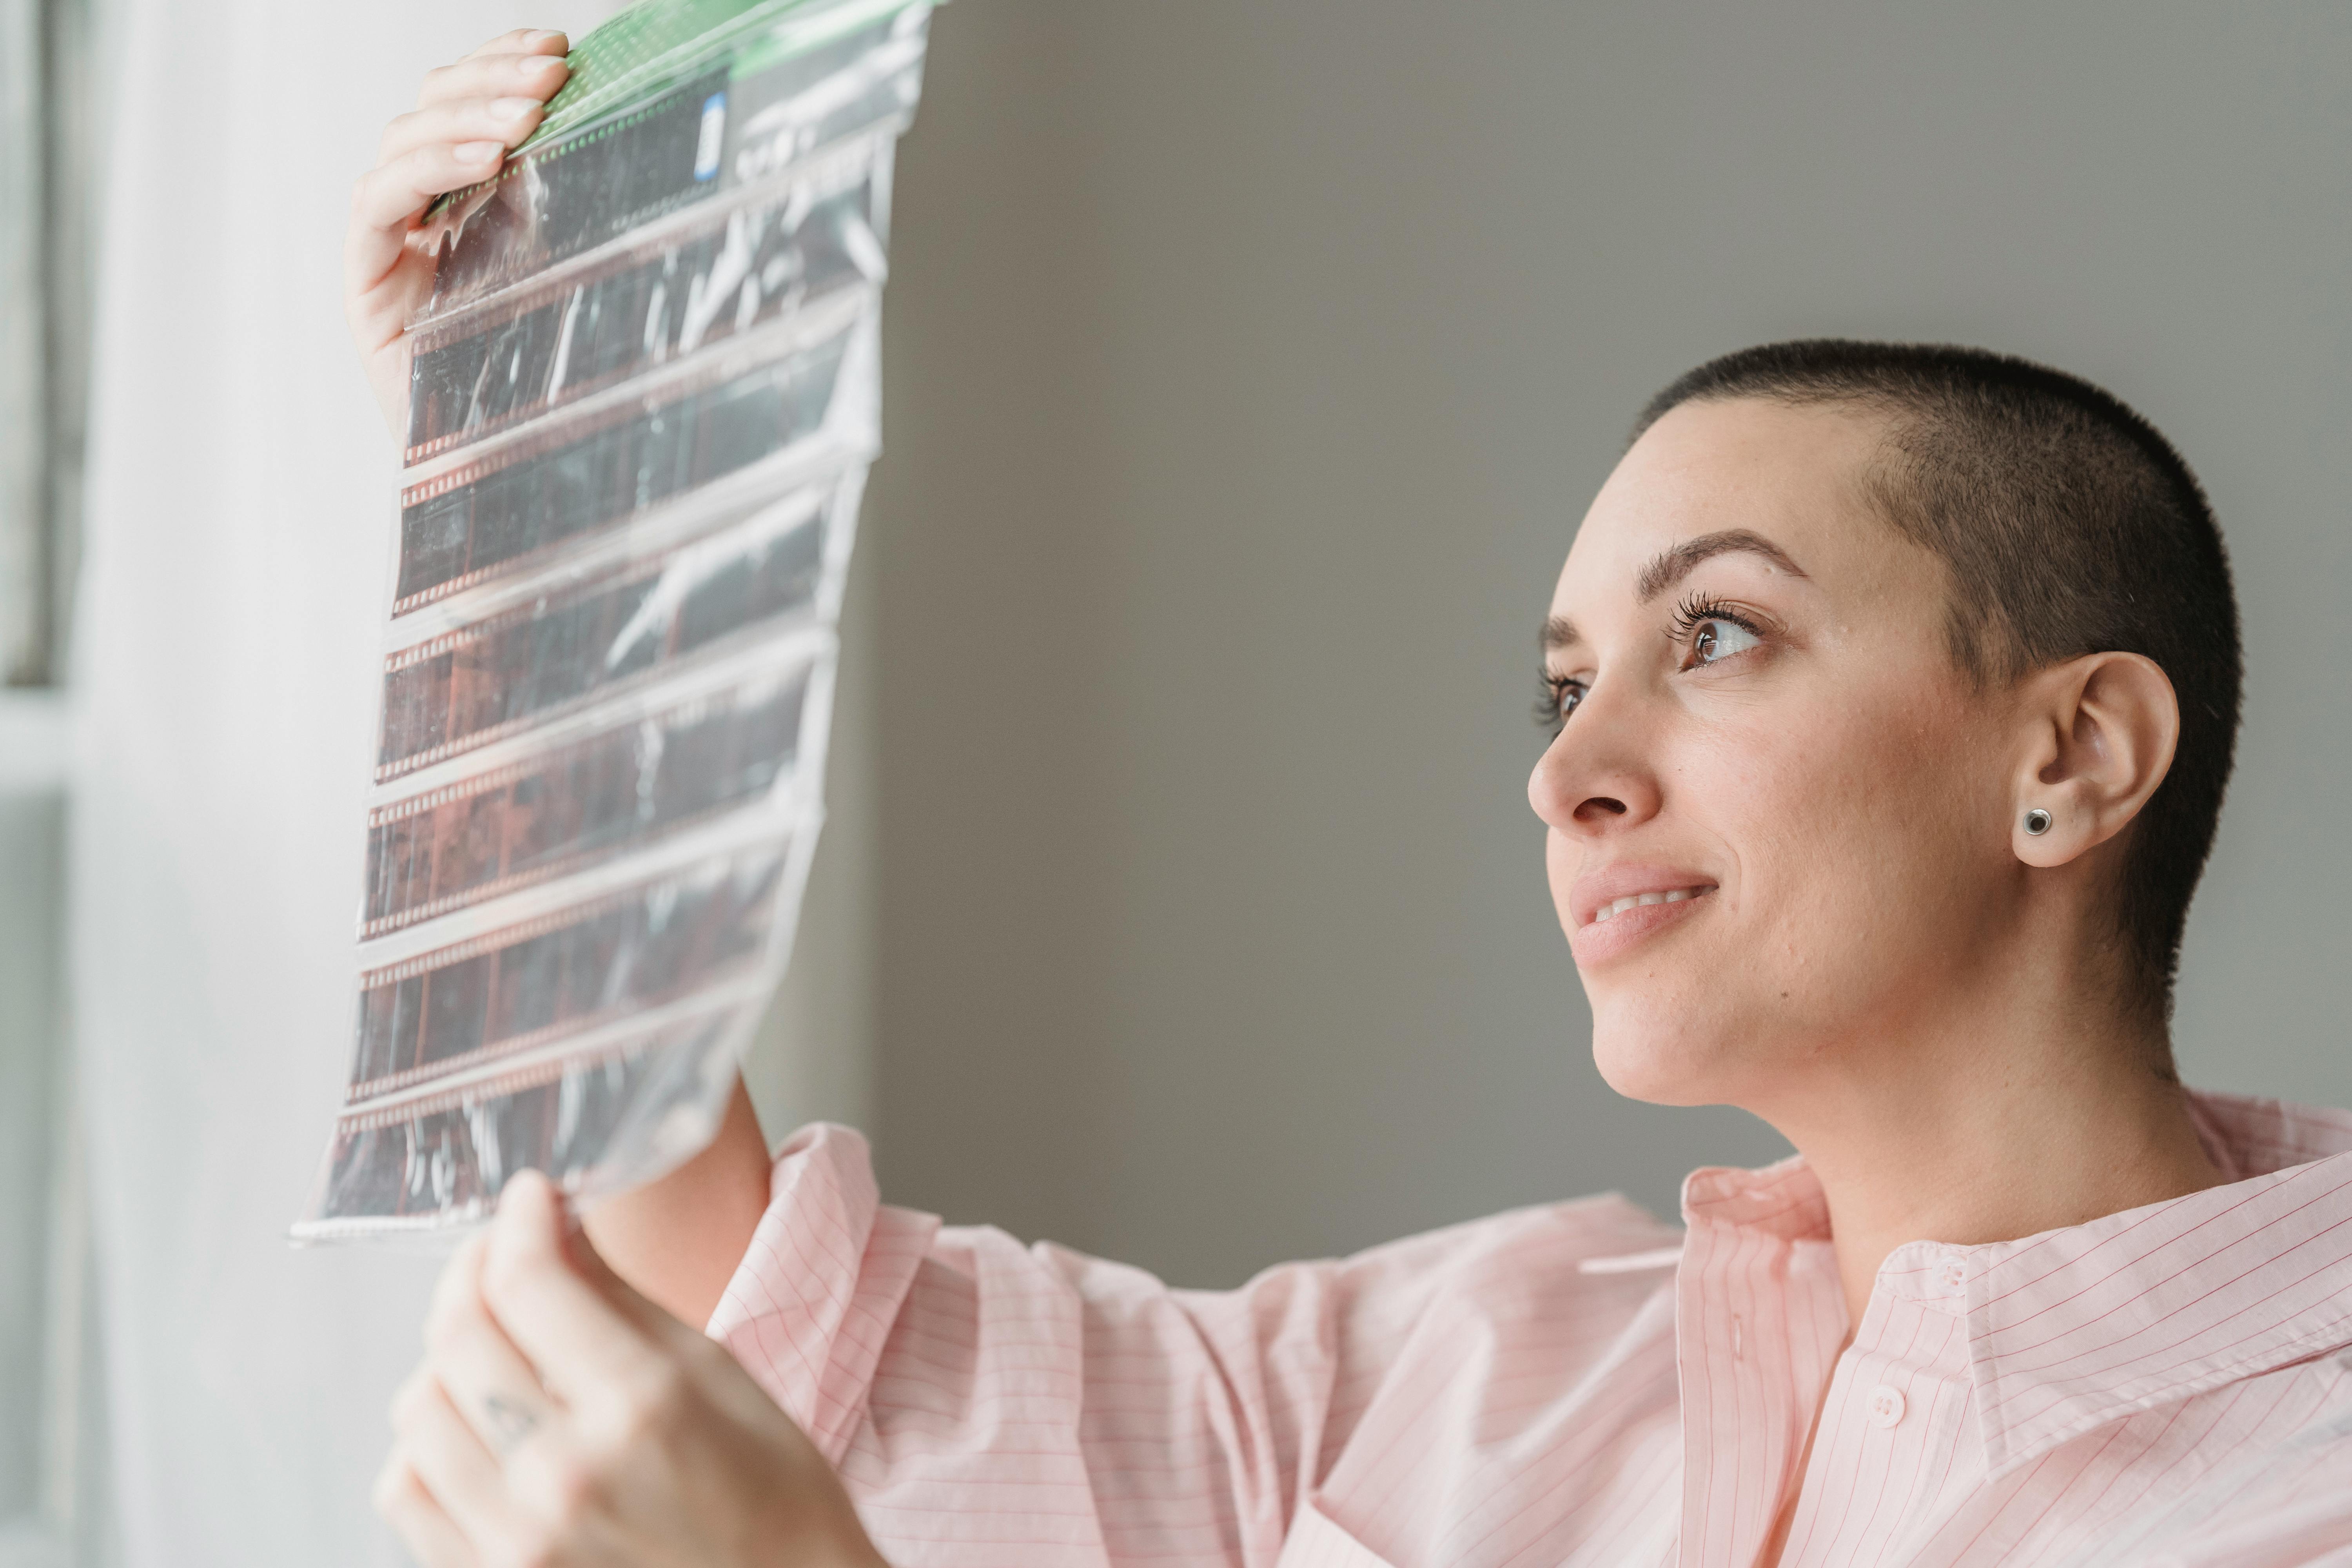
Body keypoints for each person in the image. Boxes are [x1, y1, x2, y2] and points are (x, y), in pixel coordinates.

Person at [349, 32, 2352, 1568]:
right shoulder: (1477, 1361)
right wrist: (533, 525)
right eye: (1563, 685)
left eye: (1719, 634)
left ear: (2071, 756)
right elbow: (779, 1342)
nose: (1569, 773)